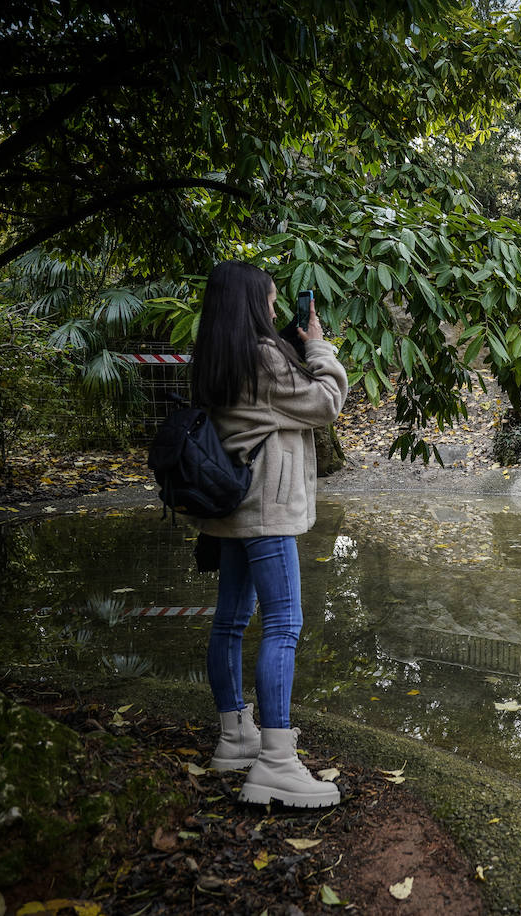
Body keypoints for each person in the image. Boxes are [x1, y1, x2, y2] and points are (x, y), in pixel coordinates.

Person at [189, 261, 349, 808]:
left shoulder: (216, 354)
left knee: (230, 621)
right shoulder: (261, 356)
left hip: (231, 508)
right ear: (252, 302)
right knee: (284, 624)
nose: (278, 309)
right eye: (272, 301)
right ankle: (277, 763)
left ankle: (235, 736)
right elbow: (324, 403)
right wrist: (320, 348)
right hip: (266, 509)